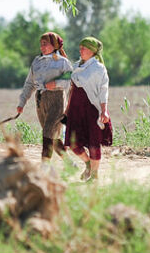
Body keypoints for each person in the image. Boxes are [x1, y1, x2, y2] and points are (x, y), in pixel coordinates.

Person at [17, 32, 73, 162]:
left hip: (57, 99)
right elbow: (30, 83)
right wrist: (22, 102)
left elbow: (71, 80)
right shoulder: (37, 62)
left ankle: (44, 166)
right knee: (52, 136)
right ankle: (69, 163)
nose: (42, 47)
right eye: (41, 44)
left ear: (54, 45)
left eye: (45, 44)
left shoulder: (62, 62)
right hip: (40, 100)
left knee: (47, 132)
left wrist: (56, 83)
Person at [64, 36, 113, 181]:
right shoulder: (77, 65)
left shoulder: (98, 68)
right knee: (73, 143)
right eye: (80, 47)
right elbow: (71, 87)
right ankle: (87, 164)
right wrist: (67, 108)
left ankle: (95, 176)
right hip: (76, 109)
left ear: (92, 51)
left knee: (93, 143)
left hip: (92, 109)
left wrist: (104, 110)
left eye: (84, 47)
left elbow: (104, 90)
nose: (81, 50)